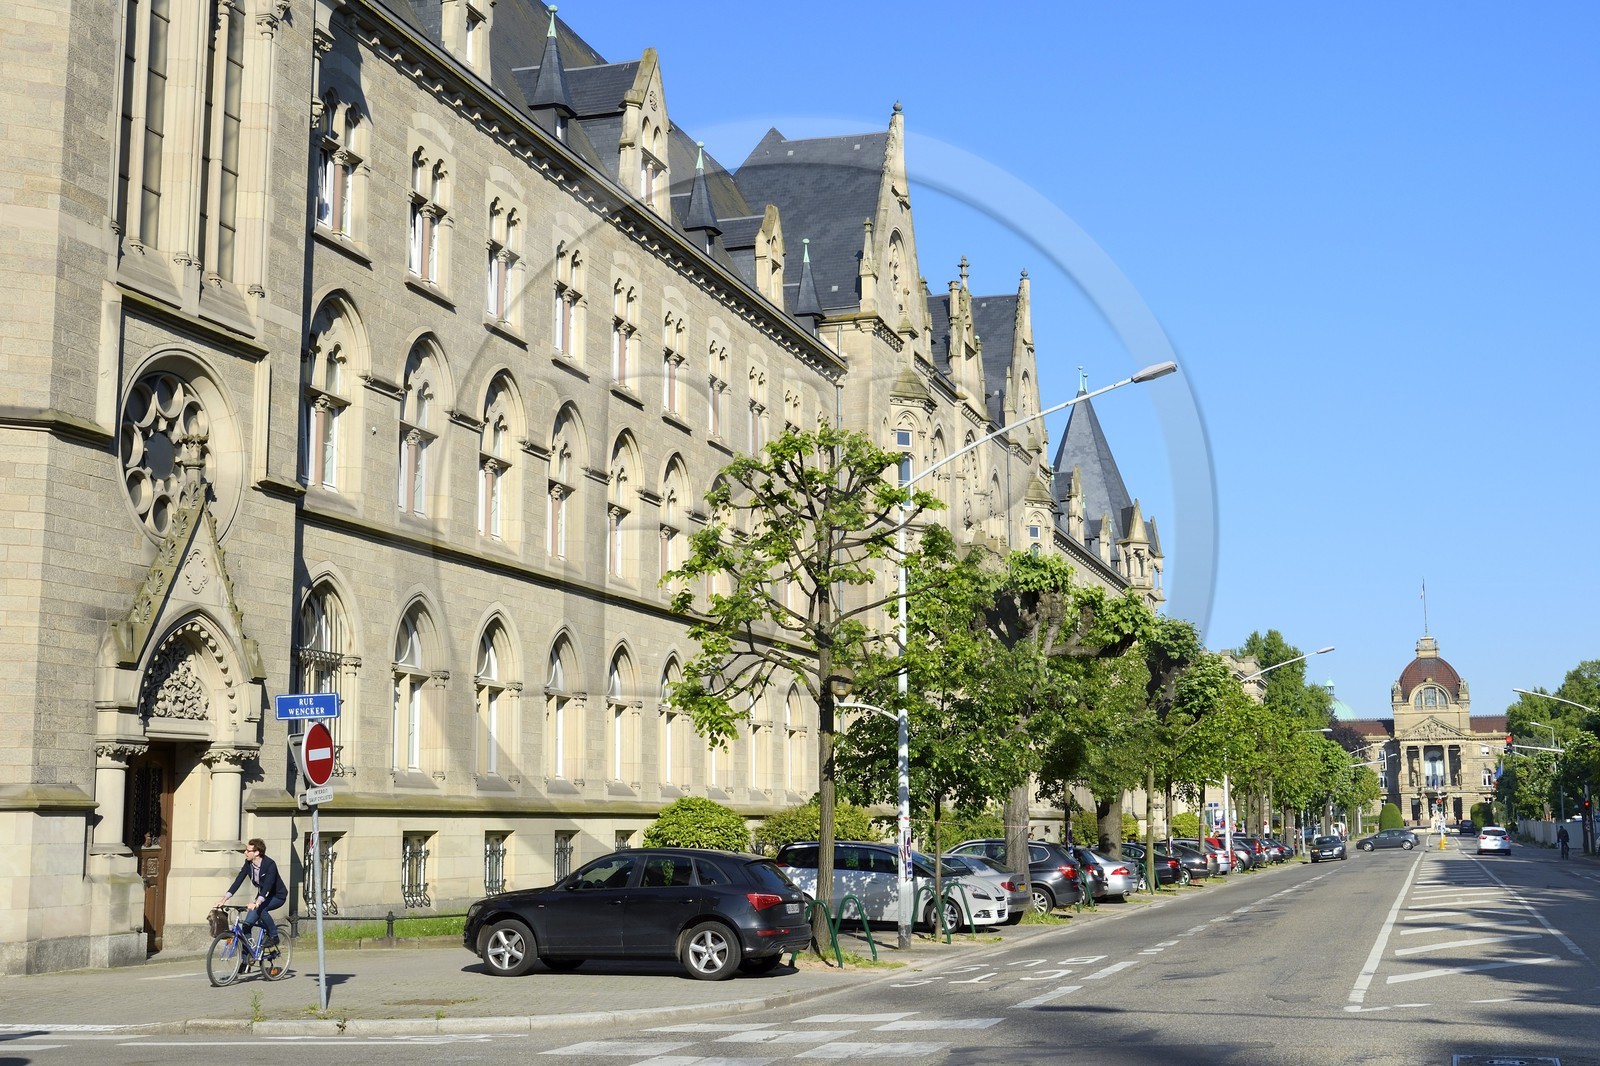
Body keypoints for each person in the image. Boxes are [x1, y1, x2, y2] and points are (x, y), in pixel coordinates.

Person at [216, 838, 288, 950]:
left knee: (261, 909)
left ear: (257, 852)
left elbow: (268, 885)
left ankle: (274, 936)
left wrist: (257, 902)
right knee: (246, 926)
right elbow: (238, 880)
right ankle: (247, 961)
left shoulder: (270, 864)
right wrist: (224, 899)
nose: (245, 853)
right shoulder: (248, 864)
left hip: (277, 896)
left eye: (248, 851)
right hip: (262, 896)